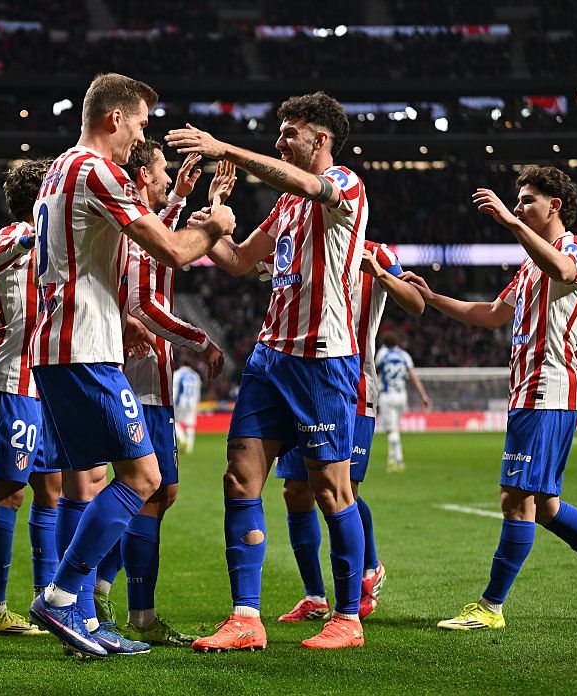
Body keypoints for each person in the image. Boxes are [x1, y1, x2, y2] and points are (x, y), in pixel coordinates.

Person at [26, 73, 236, 659]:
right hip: (84, 350)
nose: (142, 136)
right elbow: (170, 249)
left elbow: (88, 258)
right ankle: (63, 596)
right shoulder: (99, 170)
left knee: (91, 481)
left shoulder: (58, 171)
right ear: (115, 118)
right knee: (144, 478)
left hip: (59, 346)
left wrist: (125, 317)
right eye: (141, 123)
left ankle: (84, 619)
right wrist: (214, 226)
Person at [399, 165, 577, 630]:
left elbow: (564, 270)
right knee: (545, 506)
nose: (517, 207)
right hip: (529, 392)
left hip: (548, 389)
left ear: (554, 206)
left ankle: (490, 607)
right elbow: (492, 314)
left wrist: (510, 223)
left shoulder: (572, 248)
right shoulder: (529, 265)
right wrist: (432, 297)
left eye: (526, 200)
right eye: (516, 201)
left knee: (515, 499)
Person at [167, 91, 370, 651]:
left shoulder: (345, 185)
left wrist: (225, 148)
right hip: (269, 357)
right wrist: (212, 230)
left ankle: (347, 618)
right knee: (239, 477)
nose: (279, 141)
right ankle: (245, 618)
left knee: (331, 489)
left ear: (320, 139)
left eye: (289, 132)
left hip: (321, 360)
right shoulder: (284, 207)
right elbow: (239, 261)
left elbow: (307, 183)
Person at [91, 141, 228, 646]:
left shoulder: (140, 221)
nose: (169, 176)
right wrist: (202, 341)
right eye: (164, 171)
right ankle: (137, 612)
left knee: (159, 492)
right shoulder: (132, 225)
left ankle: (99, 586)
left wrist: (183, 197)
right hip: (142, 381)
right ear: (144, 176)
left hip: (152, 383)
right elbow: (145, 304)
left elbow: (158, 242)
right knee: (146, 493)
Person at [276, 242, 425, 625]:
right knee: (295, 490)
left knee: (343, 490)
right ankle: (314, 596)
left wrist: (380, 272)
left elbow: (416, 303)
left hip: (352, 387)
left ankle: (369, 568)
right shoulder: (304, 241)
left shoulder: (378, 253)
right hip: (300, 385)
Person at [0, 159, 61, 637]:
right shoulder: (17, 234)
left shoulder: (57, 240)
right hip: (11, 381)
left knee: (51, 489)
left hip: (47, 384)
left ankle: (47, 601)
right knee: (9, 492)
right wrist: (28, 240)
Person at [375, 331, 431, 472]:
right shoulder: (404, 355)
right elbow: (414, 377)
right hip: (401, 396)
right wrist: (423, 395)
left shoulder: (382, 354)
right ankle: (399, 460)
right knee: (395, 428)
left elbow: (374, 372)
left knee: (391, 430)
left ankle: (393, 461)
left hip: (387, 395)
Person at [173, 359, 204, 454]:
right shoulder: (195, 376)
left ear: (181, 364)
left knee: (174, 422)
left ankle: (183, 439)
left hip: (180, 402)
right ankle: (189, 447)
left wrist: (172, 402)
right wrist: (197, 403)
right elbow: (198, 391)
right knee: (190, 424)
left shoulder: (177, 374)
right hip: (192, 403)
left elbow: (174, 389)